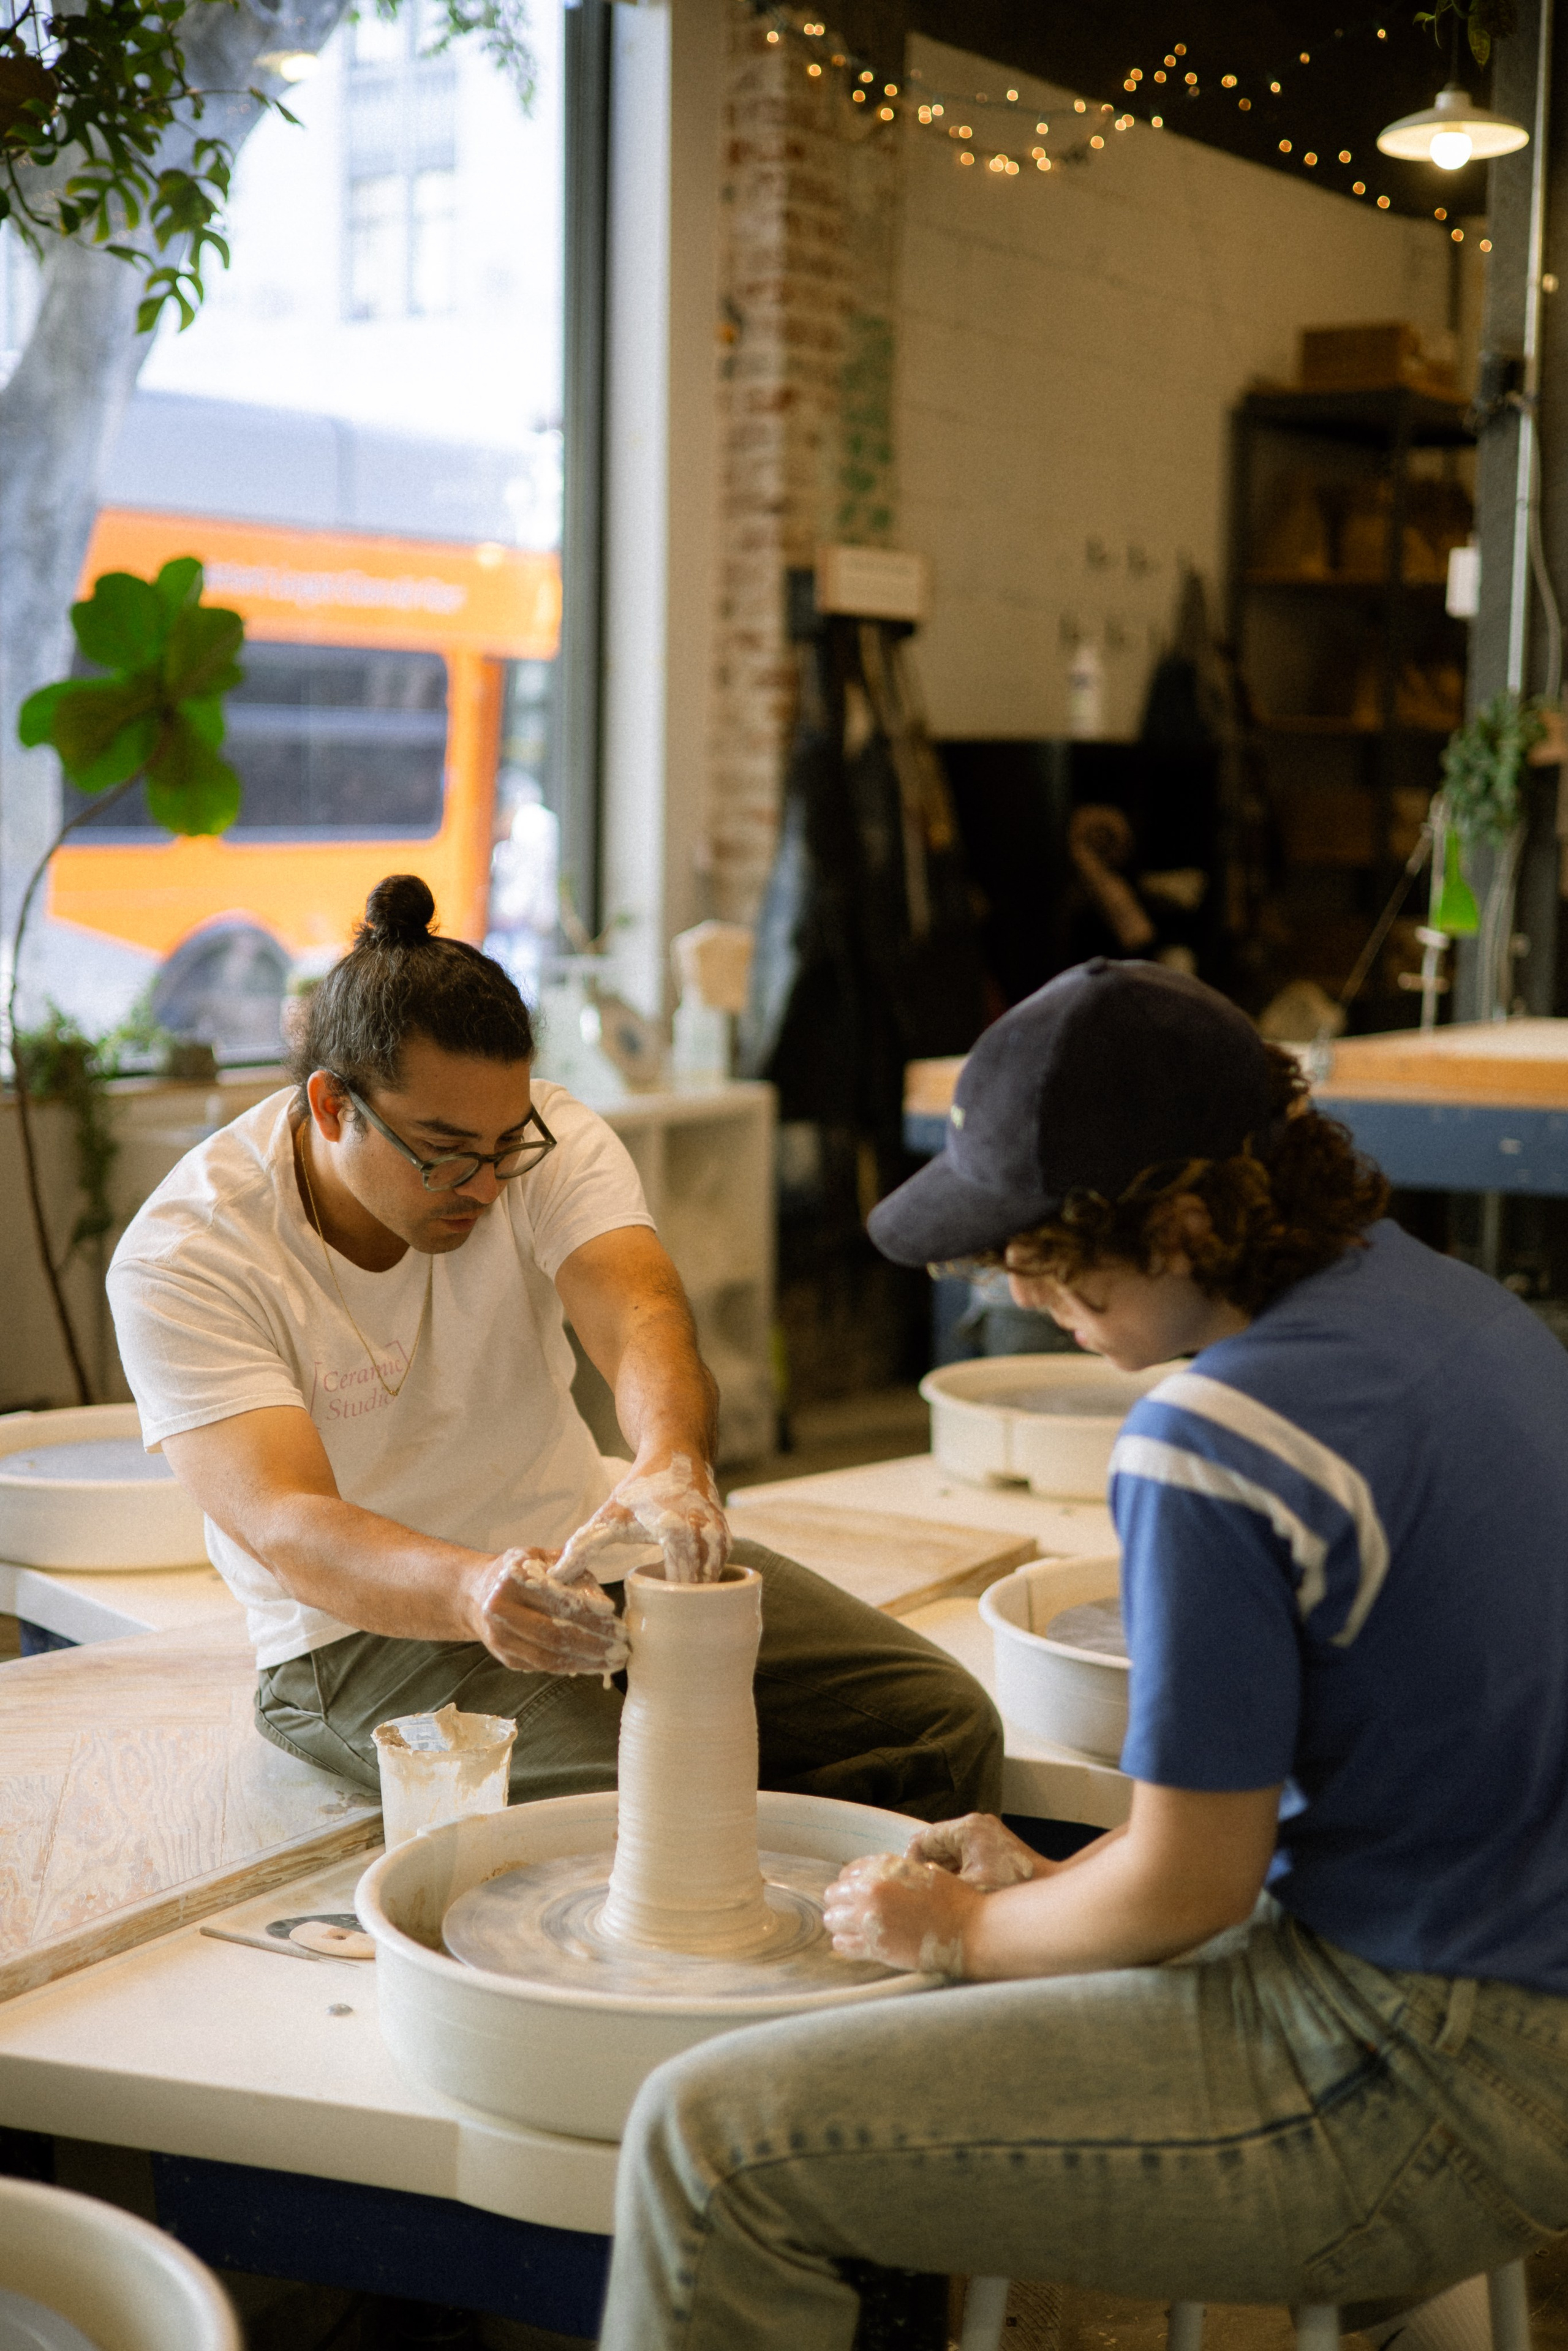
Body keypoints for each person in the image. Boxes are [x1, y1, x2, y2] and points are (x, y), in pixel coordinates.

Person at [598, 957, 1568, 2351]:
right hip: (1514, 2004)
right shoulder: (1459, 1309)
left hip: (1417, 2073)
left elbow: (1191, 1883)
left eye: (1046, 1254)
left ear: (1182, 1223)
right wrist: (1062, 1887)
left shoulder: (1211, 1439)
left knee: (710, 2142)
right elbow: (1310, 1811)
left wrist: (965, 1932)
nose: (1017, 1287)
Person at [107, 874, 1001, 1822]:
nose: (485, 1185)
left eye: (506, 1145)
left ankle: (846, 1888)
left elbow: (641, 1315)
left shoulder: (546, 1135)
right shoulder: (191, 1252)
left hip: (579, 1549)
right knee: (647, 1808)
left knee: (942, 1724)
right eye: (444, 1151)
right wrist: (472, 1590)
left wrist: (671, 1462)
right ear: (332, 1106)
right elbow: (291, 1524)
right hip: (352, 1637)